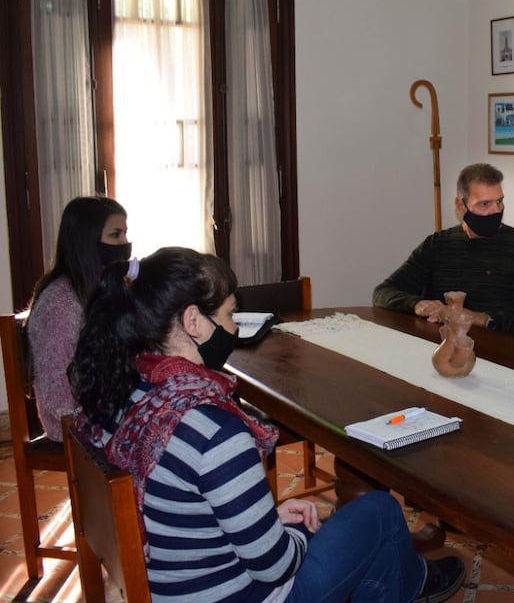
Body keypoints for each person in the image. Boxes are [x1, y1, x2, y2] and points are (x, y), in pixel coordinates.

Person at [68, 247, 465, 603]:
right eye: (228, 315)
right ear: (193, 321)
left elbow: (192, 507)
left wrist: (268, 519)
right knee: (379, 510)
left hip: (177, 582)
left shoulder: (127, 393)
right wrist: (290, 538)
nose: (235, 327)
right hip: (240, 594)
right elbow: (275, 567)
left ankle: (406, 582)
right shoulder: (213, 430)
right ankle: (411, 583)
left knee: (352, 539)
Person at [373, 163, 514, 340]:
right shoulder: (437, 245)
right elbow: (383, 292)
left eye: (499, 201)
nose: (496, 210)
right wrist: (416, 304)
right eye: (484, 204)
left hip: (502, 349)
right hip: (446, 348)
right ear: (460, 205)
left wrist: (480, 319)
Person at [26, 195, 131, 441]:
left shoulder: (103, 288)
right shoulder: (59, 304)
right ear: (87, 241)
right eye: (116, 235)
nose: (125, 243)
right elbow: (59, 399)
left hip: (107, 411)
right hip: (75, 425)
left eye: (125, 233)